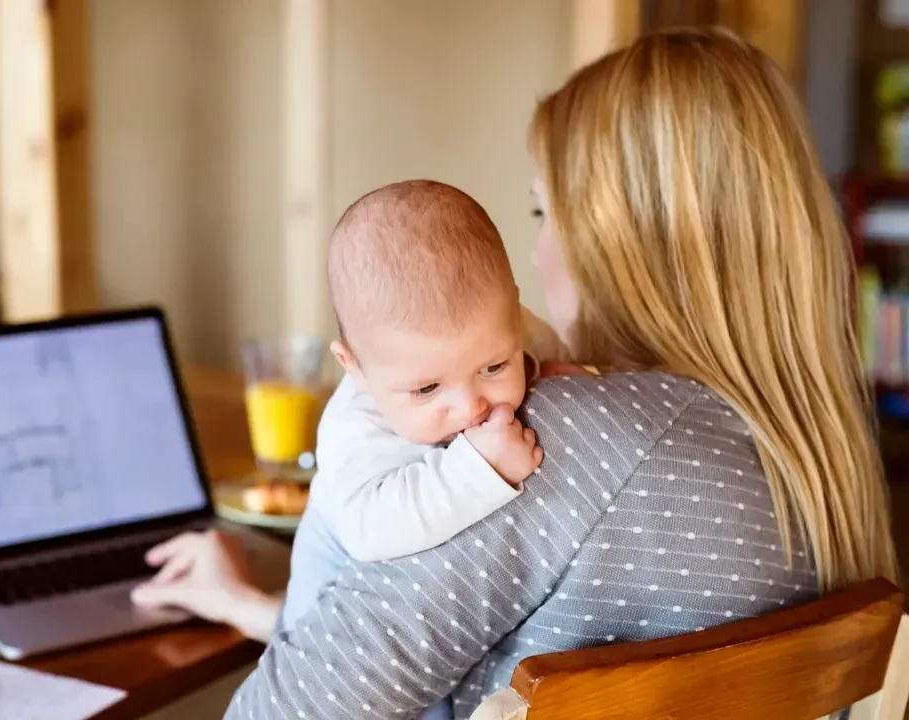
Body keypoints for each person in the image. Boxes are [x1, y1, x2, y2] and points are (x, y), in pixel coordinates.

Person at [132, 28, 898, 719]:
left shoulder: (562, 440)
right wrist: (260, 607)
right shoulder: (819, 458)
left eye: (541, 215)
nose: (534, 257)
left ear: (618, 241)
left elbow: (283, 715)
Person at [315, 179, 567, 564]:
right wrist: (482, 468)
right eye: (427, 389)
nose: (469, 408)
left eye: (494, 366)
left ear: (515, 315)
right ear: (355, 367)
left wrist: (570, 373)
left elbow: (553, 355)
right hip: (330, 593)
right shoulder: (355, 427)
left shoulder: (510, 327)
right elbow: (367, 532)